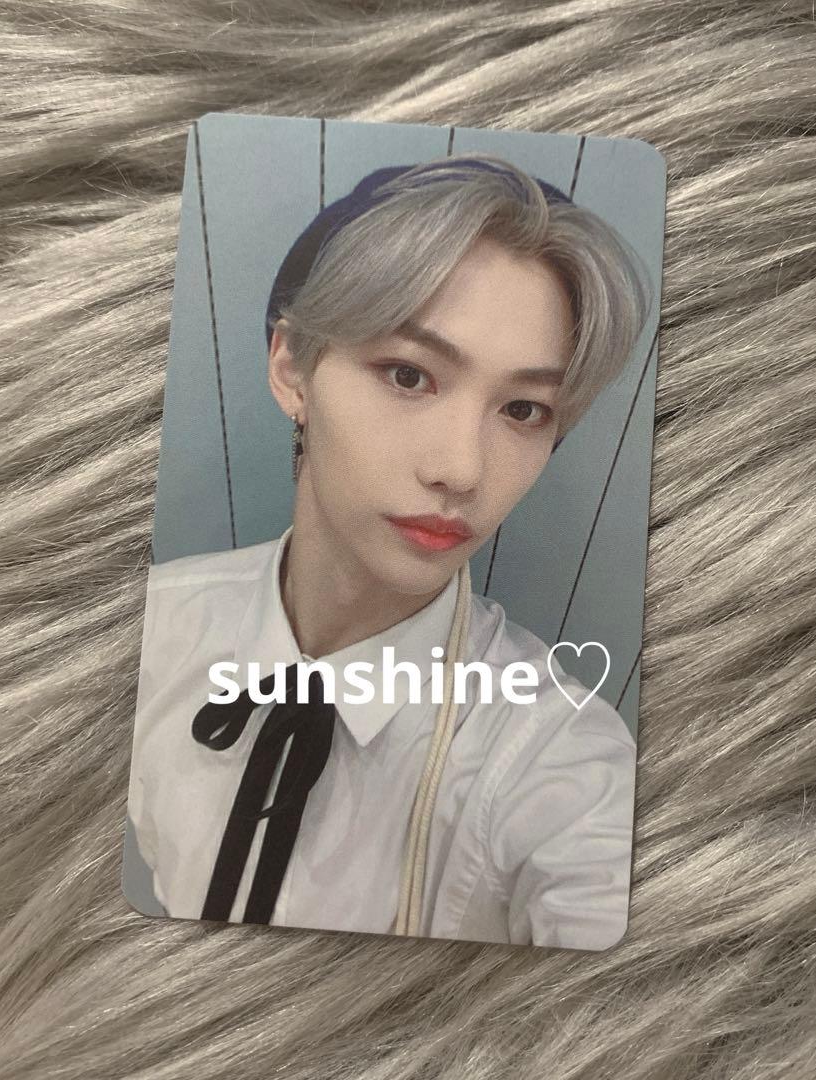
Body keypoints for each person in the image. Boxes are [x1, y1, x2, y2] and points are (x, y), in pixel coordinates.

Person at [126, 153, 651, 951]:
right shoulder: (151, 631)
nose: (462, 470)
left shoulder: (559, 757)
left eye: (523, 410)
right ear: (292, 369)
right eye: (408, 375)